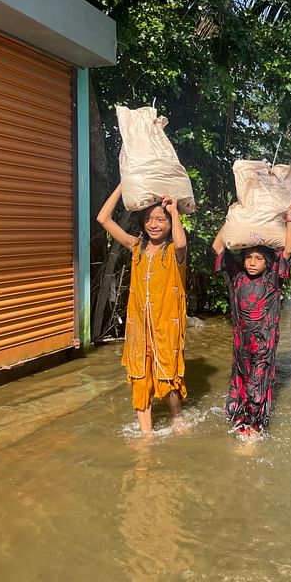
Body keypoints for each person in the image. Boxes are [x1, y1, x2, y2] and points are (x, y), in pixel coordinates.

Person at [97, 183, 188, 435]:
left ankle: (177, 417)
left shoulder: (172, 252)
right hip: (139, 327)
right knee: (139, 377)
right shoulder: (136, 247)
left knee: (168, 375)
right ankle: (146, 435)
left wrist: (175, 211)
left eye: (160, 219)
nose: (154, 224)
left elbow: (181, 243)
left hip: (165, 326)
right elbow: (103, 218)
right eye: (148, 219)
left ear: (169, 224)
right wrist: (122, 186)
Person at [212, 202, 291, 436]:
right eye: (248, 257)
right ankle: (240, 422)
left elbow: (287, 251)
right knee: (241, 378)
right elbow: (218, 246)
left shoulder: (272, 279)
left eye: (258, 258)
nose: (252, 262)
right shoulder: (237, 276)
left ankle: (255, 428)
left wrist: (289, 219)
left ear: (267, 262)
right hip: (241, 344)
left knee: (257, 384)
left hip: (263, 344)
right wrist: (231, 217)